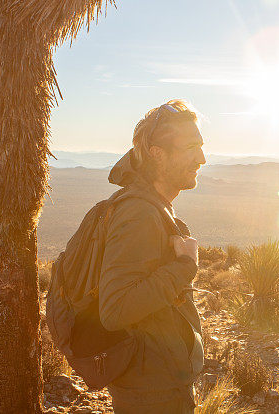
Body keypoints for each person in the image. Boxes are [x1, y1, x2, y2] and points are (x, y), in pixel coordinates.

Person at [98, 100, 206, 414]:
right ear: (157, 153)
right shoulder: (139, 214)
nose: (202, 158)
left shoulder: (152, 206)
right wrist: (184, 266)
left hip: (159, 386)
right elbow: (115, 310)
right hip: (151, 396)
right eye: (191, 147)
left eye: (201, 146)